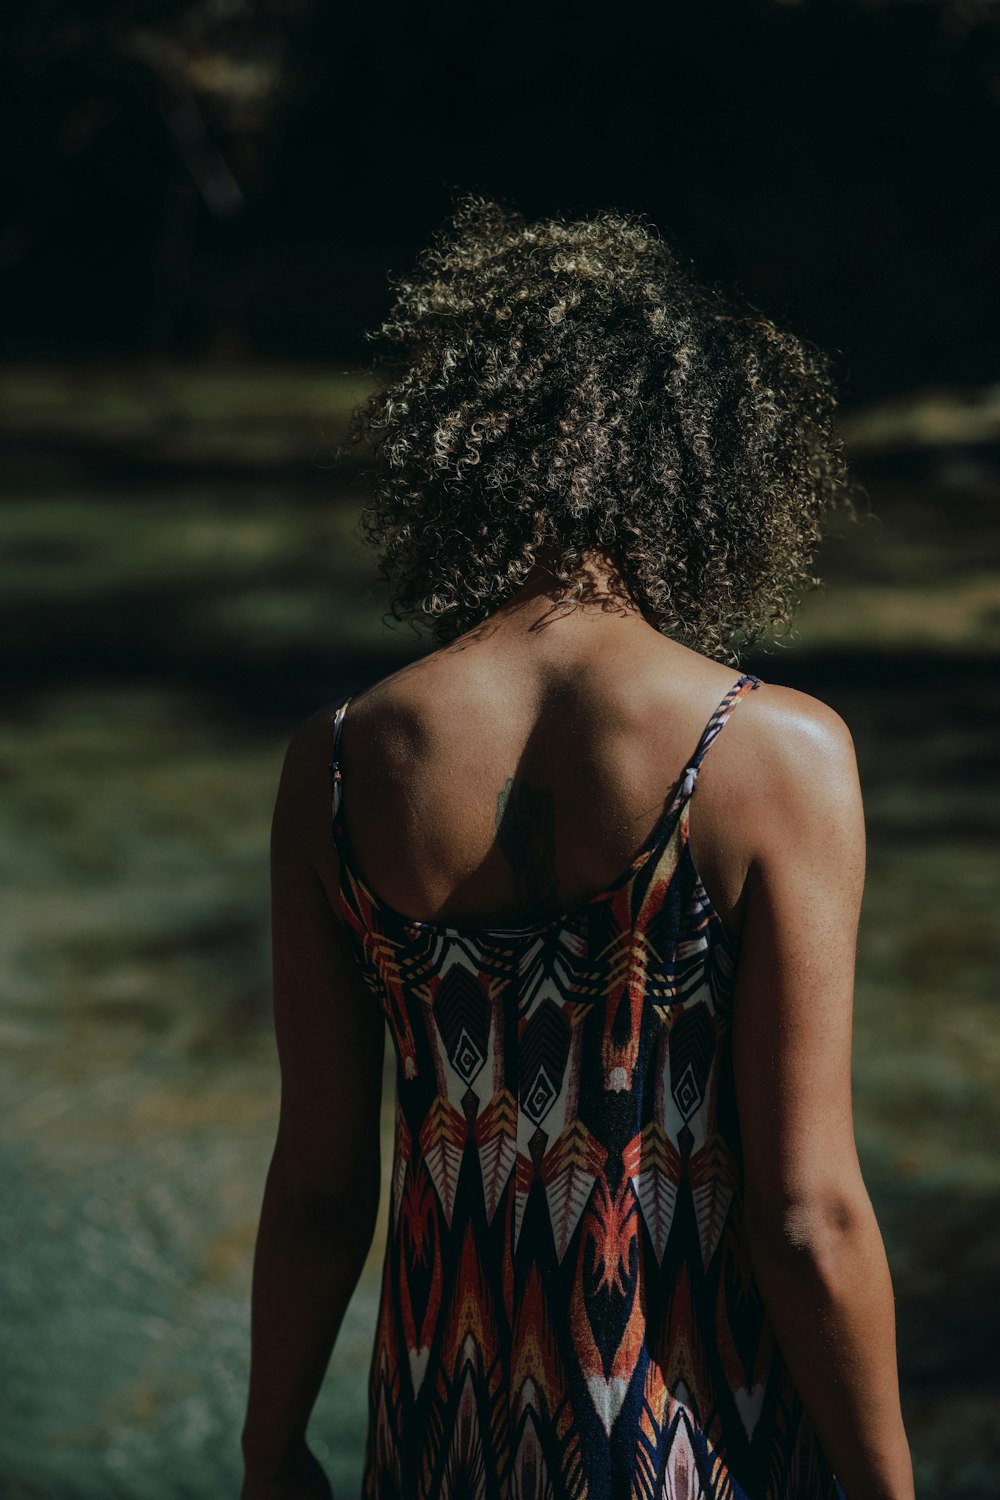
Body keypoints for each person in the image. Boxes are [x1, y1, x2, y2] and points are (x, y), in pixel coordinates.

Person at [240, 196, 914, 1500]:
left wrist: (272, 1452)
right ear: (700, 462)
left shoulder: (334, 762)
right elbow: (804, 1215)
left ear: (456, 459)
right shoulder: (772, 754)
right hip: (692, 1442)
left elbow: (322, 1193)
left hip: (441, 1440)